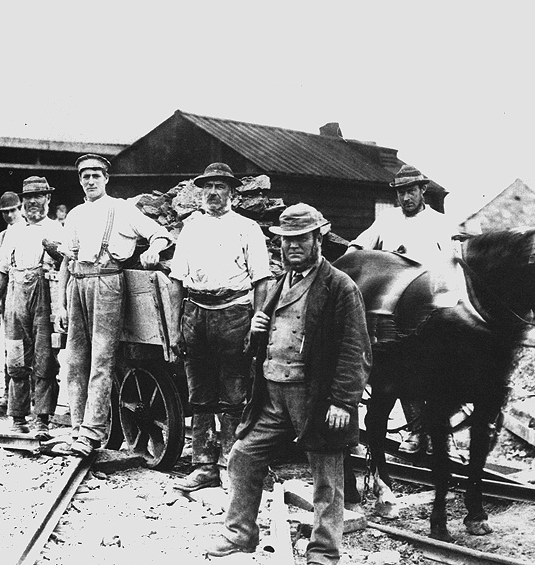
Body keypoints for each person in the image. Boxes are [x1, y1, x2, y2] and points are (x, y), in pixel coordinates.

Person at [206, 203, 371, 563]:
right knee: (243, 457)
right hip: (272, 395)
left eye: (301, 239)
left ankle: (324, 552)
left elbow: (355, 350)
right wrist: (254, 332)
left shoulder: (339, 287)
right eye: (286, 241)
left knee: (327, 477)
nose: (292, 247)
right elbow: (259, 348)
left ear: (318, 239)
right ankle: (240, 533)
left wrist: (343, 402)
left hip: (313, 397)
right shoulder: (280, 284)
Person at [54, 154, 172, 457]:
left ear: (106, 178)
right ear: (80, 180)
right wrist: (60, 304)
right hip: (77, 283)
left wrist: (154, 251)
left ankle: (92, 434)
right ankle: (77, 429)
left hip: (107, 282)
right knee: (74, 360)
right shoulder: (76, 214)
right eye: (85, 176)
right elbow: (67, 261)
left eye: (96, 175)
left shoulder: (121, 209)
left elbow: (159, 234)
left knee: (101, 359)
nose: (90, 181)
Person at [345, 164, 461, 455]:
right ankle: (415, 432)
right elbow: (360, 245)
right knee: (396, 367)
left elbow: (453, 266)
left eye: (410, 191)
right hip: (388, 309)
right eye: (400, 193)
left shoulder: (440, 224)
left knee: (429, 369)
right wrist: (343, 269)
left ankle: (434, 436)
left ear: (423, 190)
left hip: (427, 307)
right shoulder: (388, 219)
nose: (405, 198)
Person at [169, 163, 271, 492]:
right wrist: (175, 328)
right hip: (196, 314)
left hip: (235, 314)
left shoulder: (247, 228)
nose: (213, 193)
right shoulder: (191, 228)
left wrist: (257, 325)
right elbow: (176, 282)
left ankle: (231, 464)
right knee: (200, 396)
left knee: (234, 395)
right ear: (201, 191)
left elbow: (261, 281)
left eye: (221, 187)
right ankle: (203, 466)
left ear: (232, 192)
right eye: (208, 187)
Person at [0, 177, 63, 437]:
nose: (33, 202)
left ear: (48, 199)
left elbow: (67, 267)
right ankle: (18, 418)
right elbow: (2, 270)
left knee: (45, 360)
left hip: (46, 298)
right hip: (15, 298)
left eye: (39, 196)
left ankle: (42, 420)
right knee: (17, 358)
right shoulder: (13, 232)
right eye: (29, 197)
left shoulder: (57, 229)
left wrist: (55, 253)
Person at [0, 190, 26, 405]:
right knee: (13, 347)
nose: (10, 215)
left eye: (13, 210)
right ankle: (9, 394)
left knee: (38, 349)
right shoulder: (2, 237)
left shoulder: (28, 228)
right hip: (10, 298)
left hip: (32, 294)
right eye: (5, 212)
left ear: (20, 208)